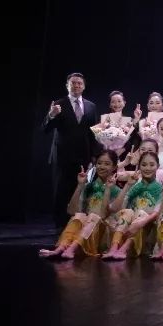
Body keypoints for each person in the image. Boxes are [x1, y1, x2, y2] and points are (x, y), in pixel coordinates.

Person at [43, 73, 101, 229]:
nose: (76, 85)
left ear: (84, 86)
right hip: (62, 156)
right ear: (67, 86)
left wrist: (94, 155)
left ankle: (76, 222)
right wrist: (51, 115)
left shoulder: (91, 106)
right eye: (73, 83)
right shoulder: (58, 104)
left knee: (80, 189)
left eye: (79, 83)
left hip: (83, 156)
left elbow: (94, 133)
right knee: (61, 190)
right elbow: (45, 129)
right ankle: (60, 225)